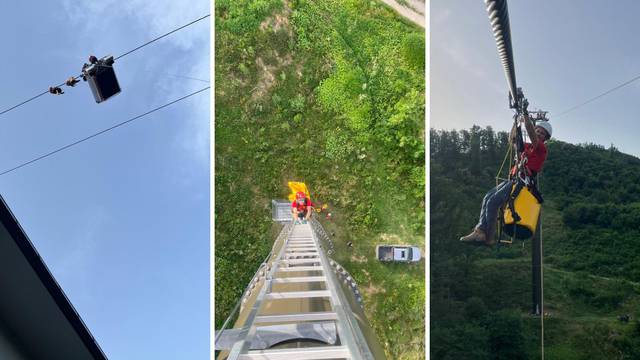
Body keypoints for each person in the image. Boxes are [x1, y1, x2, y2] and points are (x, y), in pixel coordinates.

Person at [460, 114, 552, 246]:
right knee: (487, 197)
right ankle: (479, 230)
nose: (538, 134)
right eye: (537, 130)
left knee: (492, 202)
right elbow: (513, 140)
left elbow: (531, 134)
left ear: (545, 138)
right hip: (514, 180)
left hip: (522, 183)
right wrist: (516, 123)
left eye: (542, 133)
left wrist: (525, 117)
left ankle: (487, 236)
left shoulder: (541, 149)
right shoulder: (527, 147)